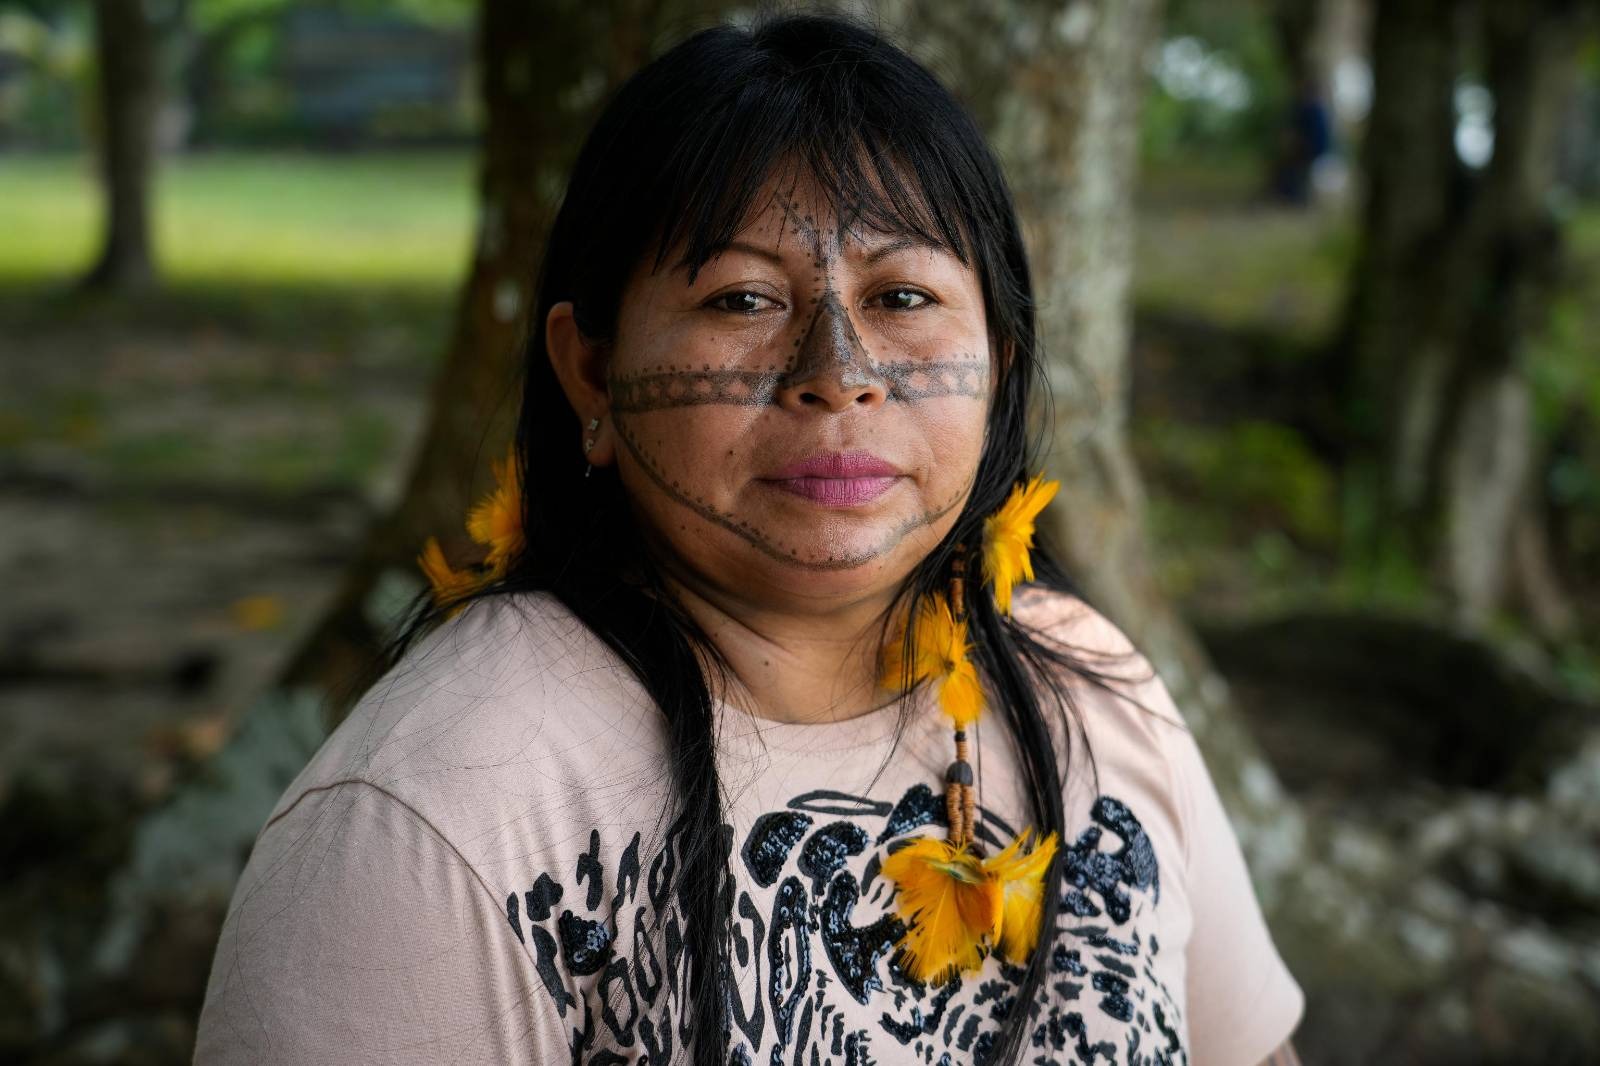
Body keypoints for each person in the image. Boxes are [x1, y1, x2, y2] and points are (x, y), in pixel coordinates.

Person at [193, 11, 1305, 1065]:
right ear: (590, 368)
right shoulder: (435, 815)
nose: (839, 376)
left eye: (905, 296)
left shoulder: (1096, 692)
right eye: (741, 299)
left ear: (1002, 360)